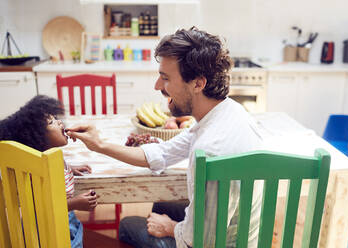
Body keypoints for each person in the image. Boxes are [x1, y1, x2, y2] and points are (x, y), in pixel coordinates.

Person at [66, 27, 263, 248]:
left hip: (216, 243)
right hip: (240, 231)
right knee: (163, 207)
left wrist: (169, 227)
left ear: (198, 83)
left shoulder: (211, 151)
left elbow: (203, 241)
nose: (157, 86)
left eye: (165, 78)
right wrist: (99, 144)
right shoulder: (227, 113)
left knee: (129, 225)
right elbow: (161, 152)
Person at [0, 95, 97, 248]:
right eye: (51, 122)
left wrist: (69, 168)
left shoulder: (50, 157)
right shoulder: (34, 172)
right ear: (38, 139)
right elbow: (43, 207)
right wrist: (75, 203)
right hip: (46, 229)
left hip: (63, 218)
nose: (60, 122)